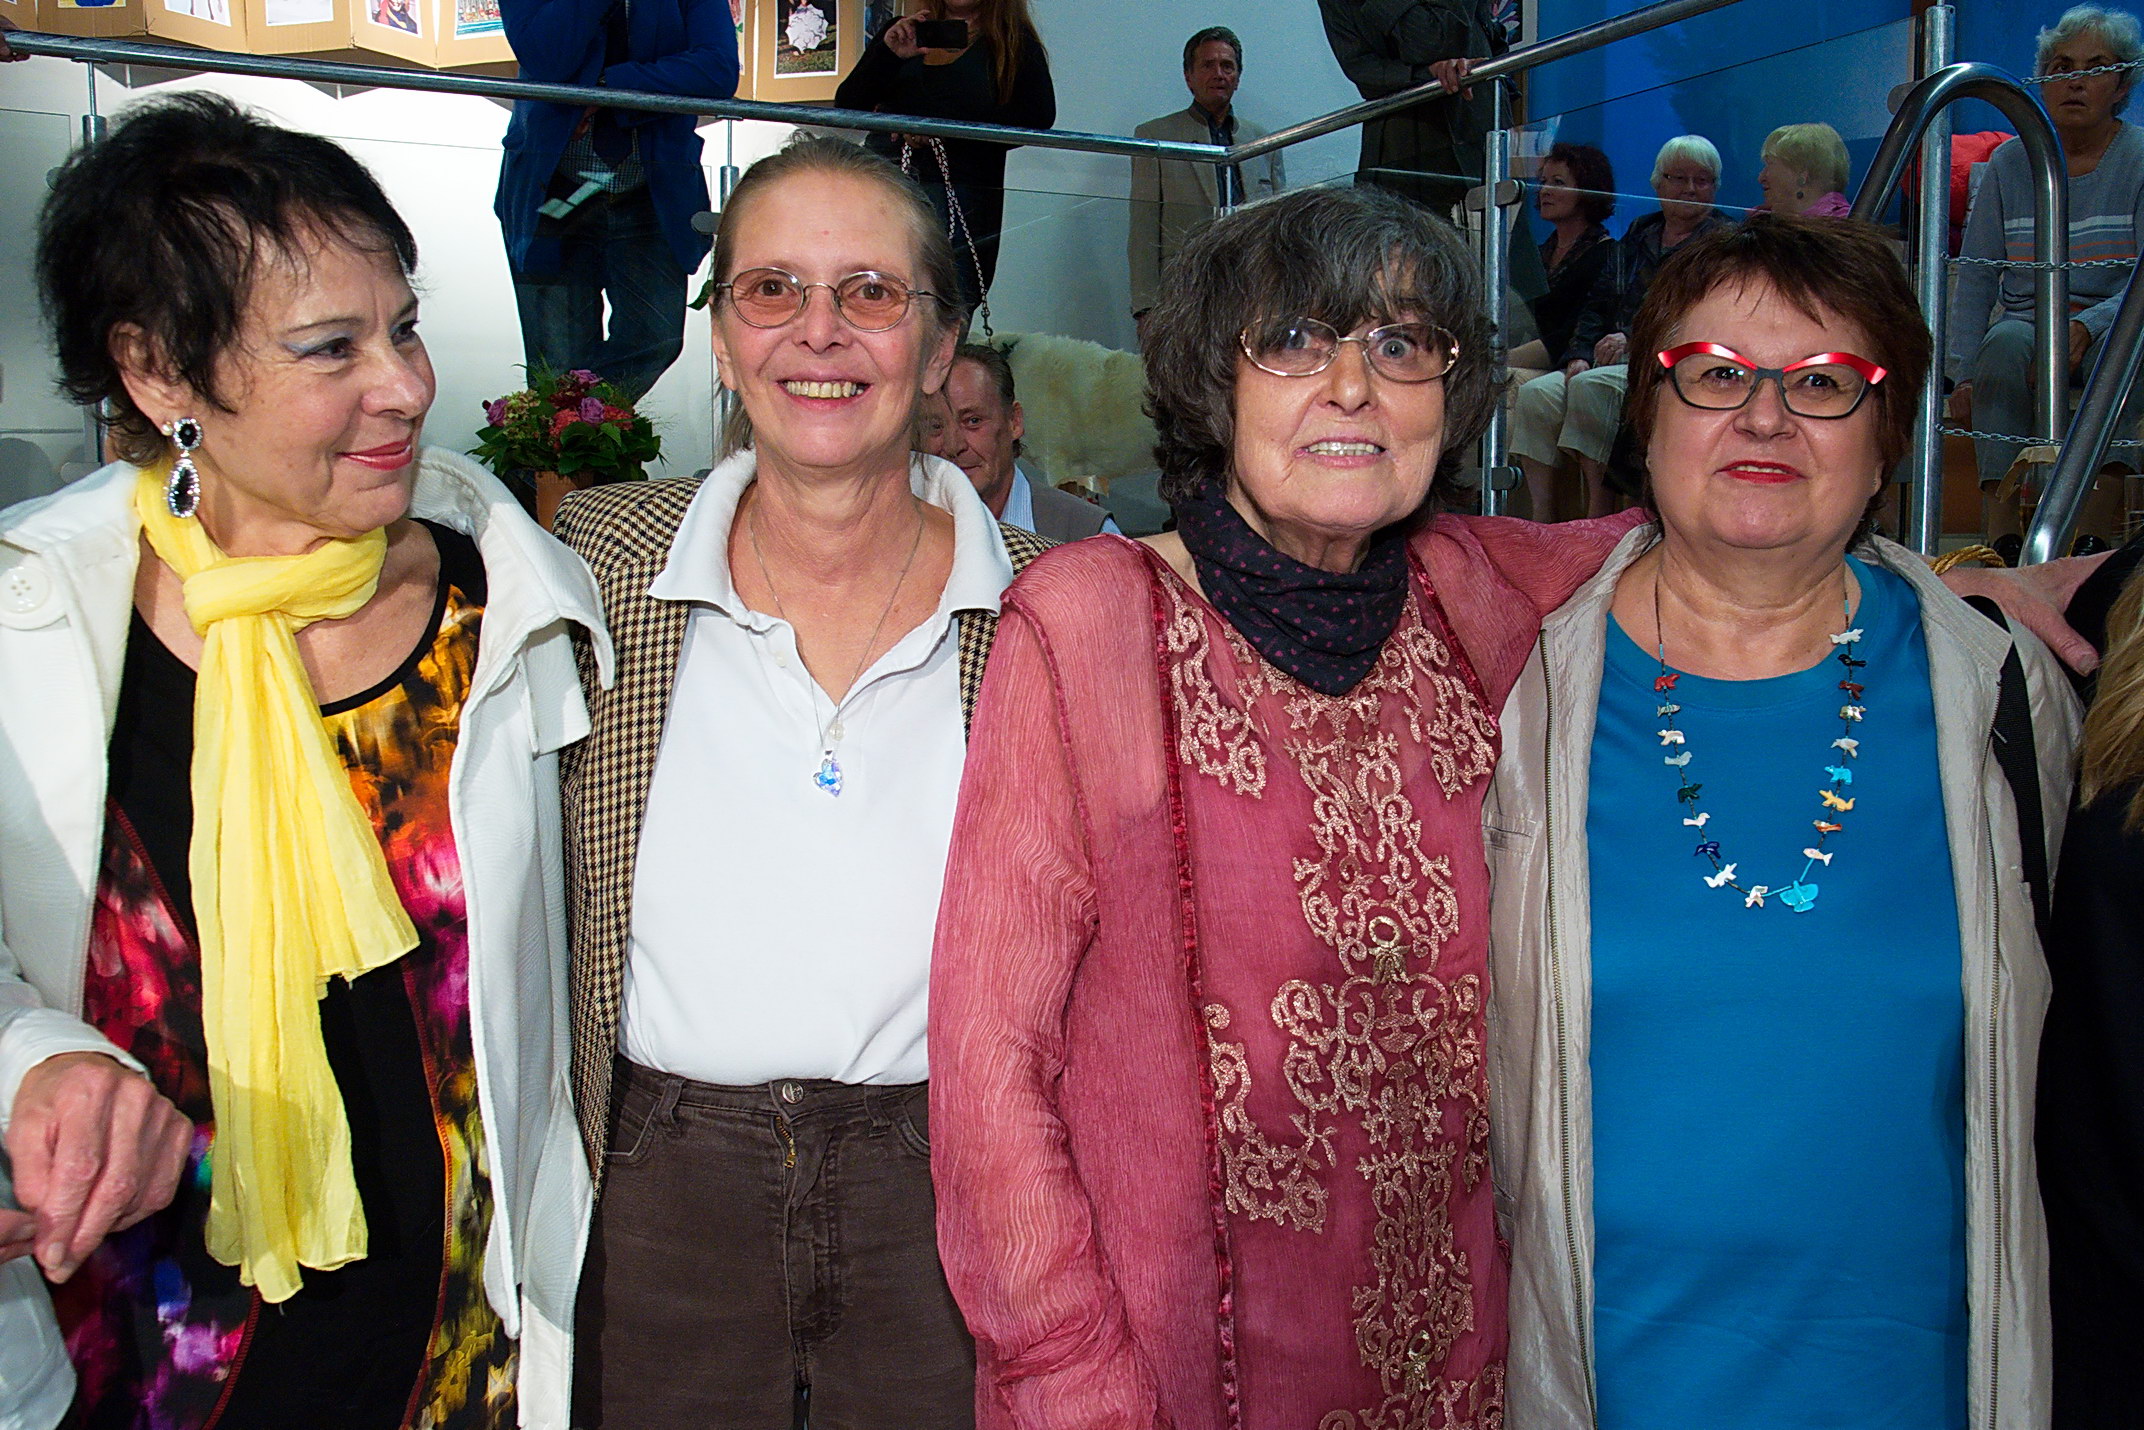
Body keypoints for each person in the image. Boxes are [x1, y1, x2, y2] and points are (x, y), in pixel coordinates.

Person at [928, 183, 1661, 1430]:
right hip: (1161, 1370)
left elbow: (1712, 545)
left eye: (1400, 344)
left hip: (1455, 1370)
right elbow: (988, 1063)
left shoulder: (1466, 591)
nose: (1352, 386)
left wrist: (1951, 586)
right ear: (1215, 383)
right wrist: (1069, 1379)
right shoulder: (1087, 621)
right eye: (1291, 341)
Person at [8, 93, 602, 1429]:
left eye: (403, 327)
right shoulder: (33, 627)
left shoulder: (507, 614)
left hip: (463, 1368)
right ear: (159, 372)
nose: (404, 384)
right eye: (330, 348)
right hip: (141, 1370)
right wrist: (33, 1060)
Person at [1484, 214, 2077, 1427]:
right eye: (1713, 375)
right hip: (1601, 1386)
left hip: (1913, 1388)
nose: (1762, 417)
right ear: (1645, 416)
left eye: (1820, 382)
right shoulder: (1506, 688)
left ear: (1885, 436)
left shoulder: (2003, 693)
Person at [557, 135, 1050, 1429]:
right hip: (655, 1195)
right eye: (771, 289)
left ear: (938, 349)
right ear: (722, 339)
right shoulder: (597, 568)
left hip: (945, 1199)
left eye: (870, 292)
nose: (817, 332)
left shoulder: (1048, 606)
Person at [495, 0, 739, 401]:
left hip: (650, 191)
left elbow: (717, 70)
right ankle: (567, 432)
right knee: (556, 362)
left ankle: (577, 424)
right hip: (551, 193)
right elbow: (546, 58)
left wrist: (609, 87)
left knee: (655, 338)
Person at [1950, 5, 2144, 487]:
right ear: (2041, 82)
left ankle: (2090, 521)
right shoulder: (2007, 163)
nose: (2075, 82)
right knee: (2003, 346)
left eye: (2095, 68)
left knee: (2125, 352)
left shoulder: (2140, 157)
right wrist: (1962, 374)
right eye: (2061, 68)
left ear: (2122, 85)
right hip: (2026, 326)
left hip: (2116, 322)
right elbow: (1976, 275)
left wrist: (2087, 325)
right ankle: (2004, 520)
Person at [1511, 134, 1730, 517]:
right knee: (1537, 394)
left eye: (1702, 180)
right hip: (1611, 357)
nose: (1691, 189)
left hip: (1665, 361)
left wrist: (1632, 340)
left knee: (1589, 386)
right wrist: (1579, 354)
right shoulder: (1640, 232)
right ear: (1658, 183)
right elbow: (1597, 303)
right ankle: (1541, 517)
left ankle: (1600, 513)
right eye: (1679, 178)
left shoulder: (1723, 241)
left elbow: (1702, 316)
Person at [835, 0, 1055, 310]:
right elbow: (848, 104)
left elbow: (1037, 117)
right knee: (867, 289)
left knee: (948, 302)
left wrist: (938, 127)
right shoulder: (905, 31)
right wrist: (887, 53)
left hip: (963, 194)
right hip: (886, 184)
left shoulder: (1013, 42)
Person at [1127, 27, 1286, 323]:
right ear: (1189, 76)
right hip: (1185, 296)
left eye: (1227, 66)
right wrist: (1145, 309)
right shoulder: (1156, 136)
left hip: (1253, 294)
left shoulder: (1264, 141)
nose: (1219, 74)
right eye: (1208, 65)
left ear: (1238, 77)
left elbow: (1280, 230)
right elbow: (1143, 230)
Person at [1510, 141, 1617, 520]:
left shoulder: (1606, 254)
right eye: (1543, 181)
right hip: (1537, 355)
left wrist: (1504, 357)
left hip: (1569, 358)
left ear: (1587, 191)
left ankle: (1547, 513)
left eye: (1558, 182)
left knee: (1506, 378)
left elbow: (1575, 330)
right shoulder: (1538, 255)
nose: (1545, 191)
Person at [918, 342, 1119, 540]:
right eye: (936, 426)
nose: (954, 446)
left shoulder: (1085, 533)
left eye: (973, 421)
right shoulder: (906, 534)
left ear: (1014, 421)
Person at [1756, 121, 1853, 217]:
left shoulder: (1845, 223)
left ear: (1802, 174)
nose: (1761, 178)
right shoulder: (1763, 219)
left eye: (1770, 164)